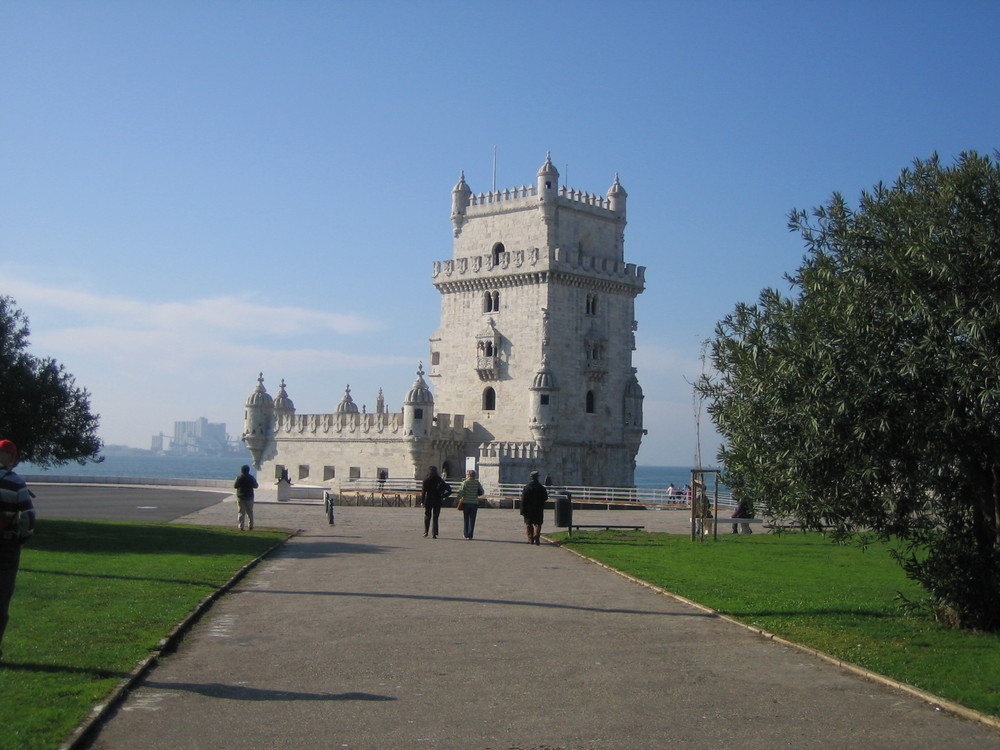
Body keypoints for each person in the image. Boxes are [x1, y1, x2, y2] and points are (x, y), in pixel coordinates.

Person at [0, 440, 35, 660]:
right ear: (12, 459)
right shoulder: (16, 483)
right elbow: (28, 518)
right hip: (5, 546)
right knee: (1, 599)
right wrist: (22, 539)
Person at [421, 466, 451, 538]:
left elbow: (423, 492)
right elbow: (446, 487)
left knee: (427, 516)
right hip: (437, 499)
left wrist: (422, 501)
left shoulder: (426, 480)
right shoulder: (439, 479)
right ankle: (434, 533)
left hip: (428, 499)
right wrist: (444, 496)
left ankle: (426, 532)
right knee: (435, 517)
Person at [520, 470, 548, 545]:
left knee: (528, 524)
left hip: (528, 509)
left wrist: (522, 510)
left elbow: (523, 499)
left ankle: (530, 539)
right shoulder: (541, 488)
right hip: (538, 508)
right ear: (537, 478)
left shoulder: (527, 487)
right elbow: (545, 498)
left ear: (531, 477)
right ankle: (537, 537)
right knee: (538, 523)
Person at [456, 469, 485, 540]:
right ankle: (470, 535)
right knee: (472, 519)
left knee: (466, 519)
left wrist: (457, 500)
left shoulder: (465, 482)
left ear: (468, 475)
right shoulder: (477, 482)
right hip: (474, 503)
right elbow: (482, 491)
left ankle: (466, 534)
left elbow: (461, 493)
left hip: (466, 502)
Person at [233, 465, 259, 531]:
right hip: (249, 496)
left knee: (241, 512)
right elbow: (256, 486)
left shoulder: (239, 478)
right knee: (250, 512)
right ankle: (251, 525)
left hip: (241, 497)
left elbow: (235, 486)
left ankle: (241, 526)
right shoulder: (251, 478)